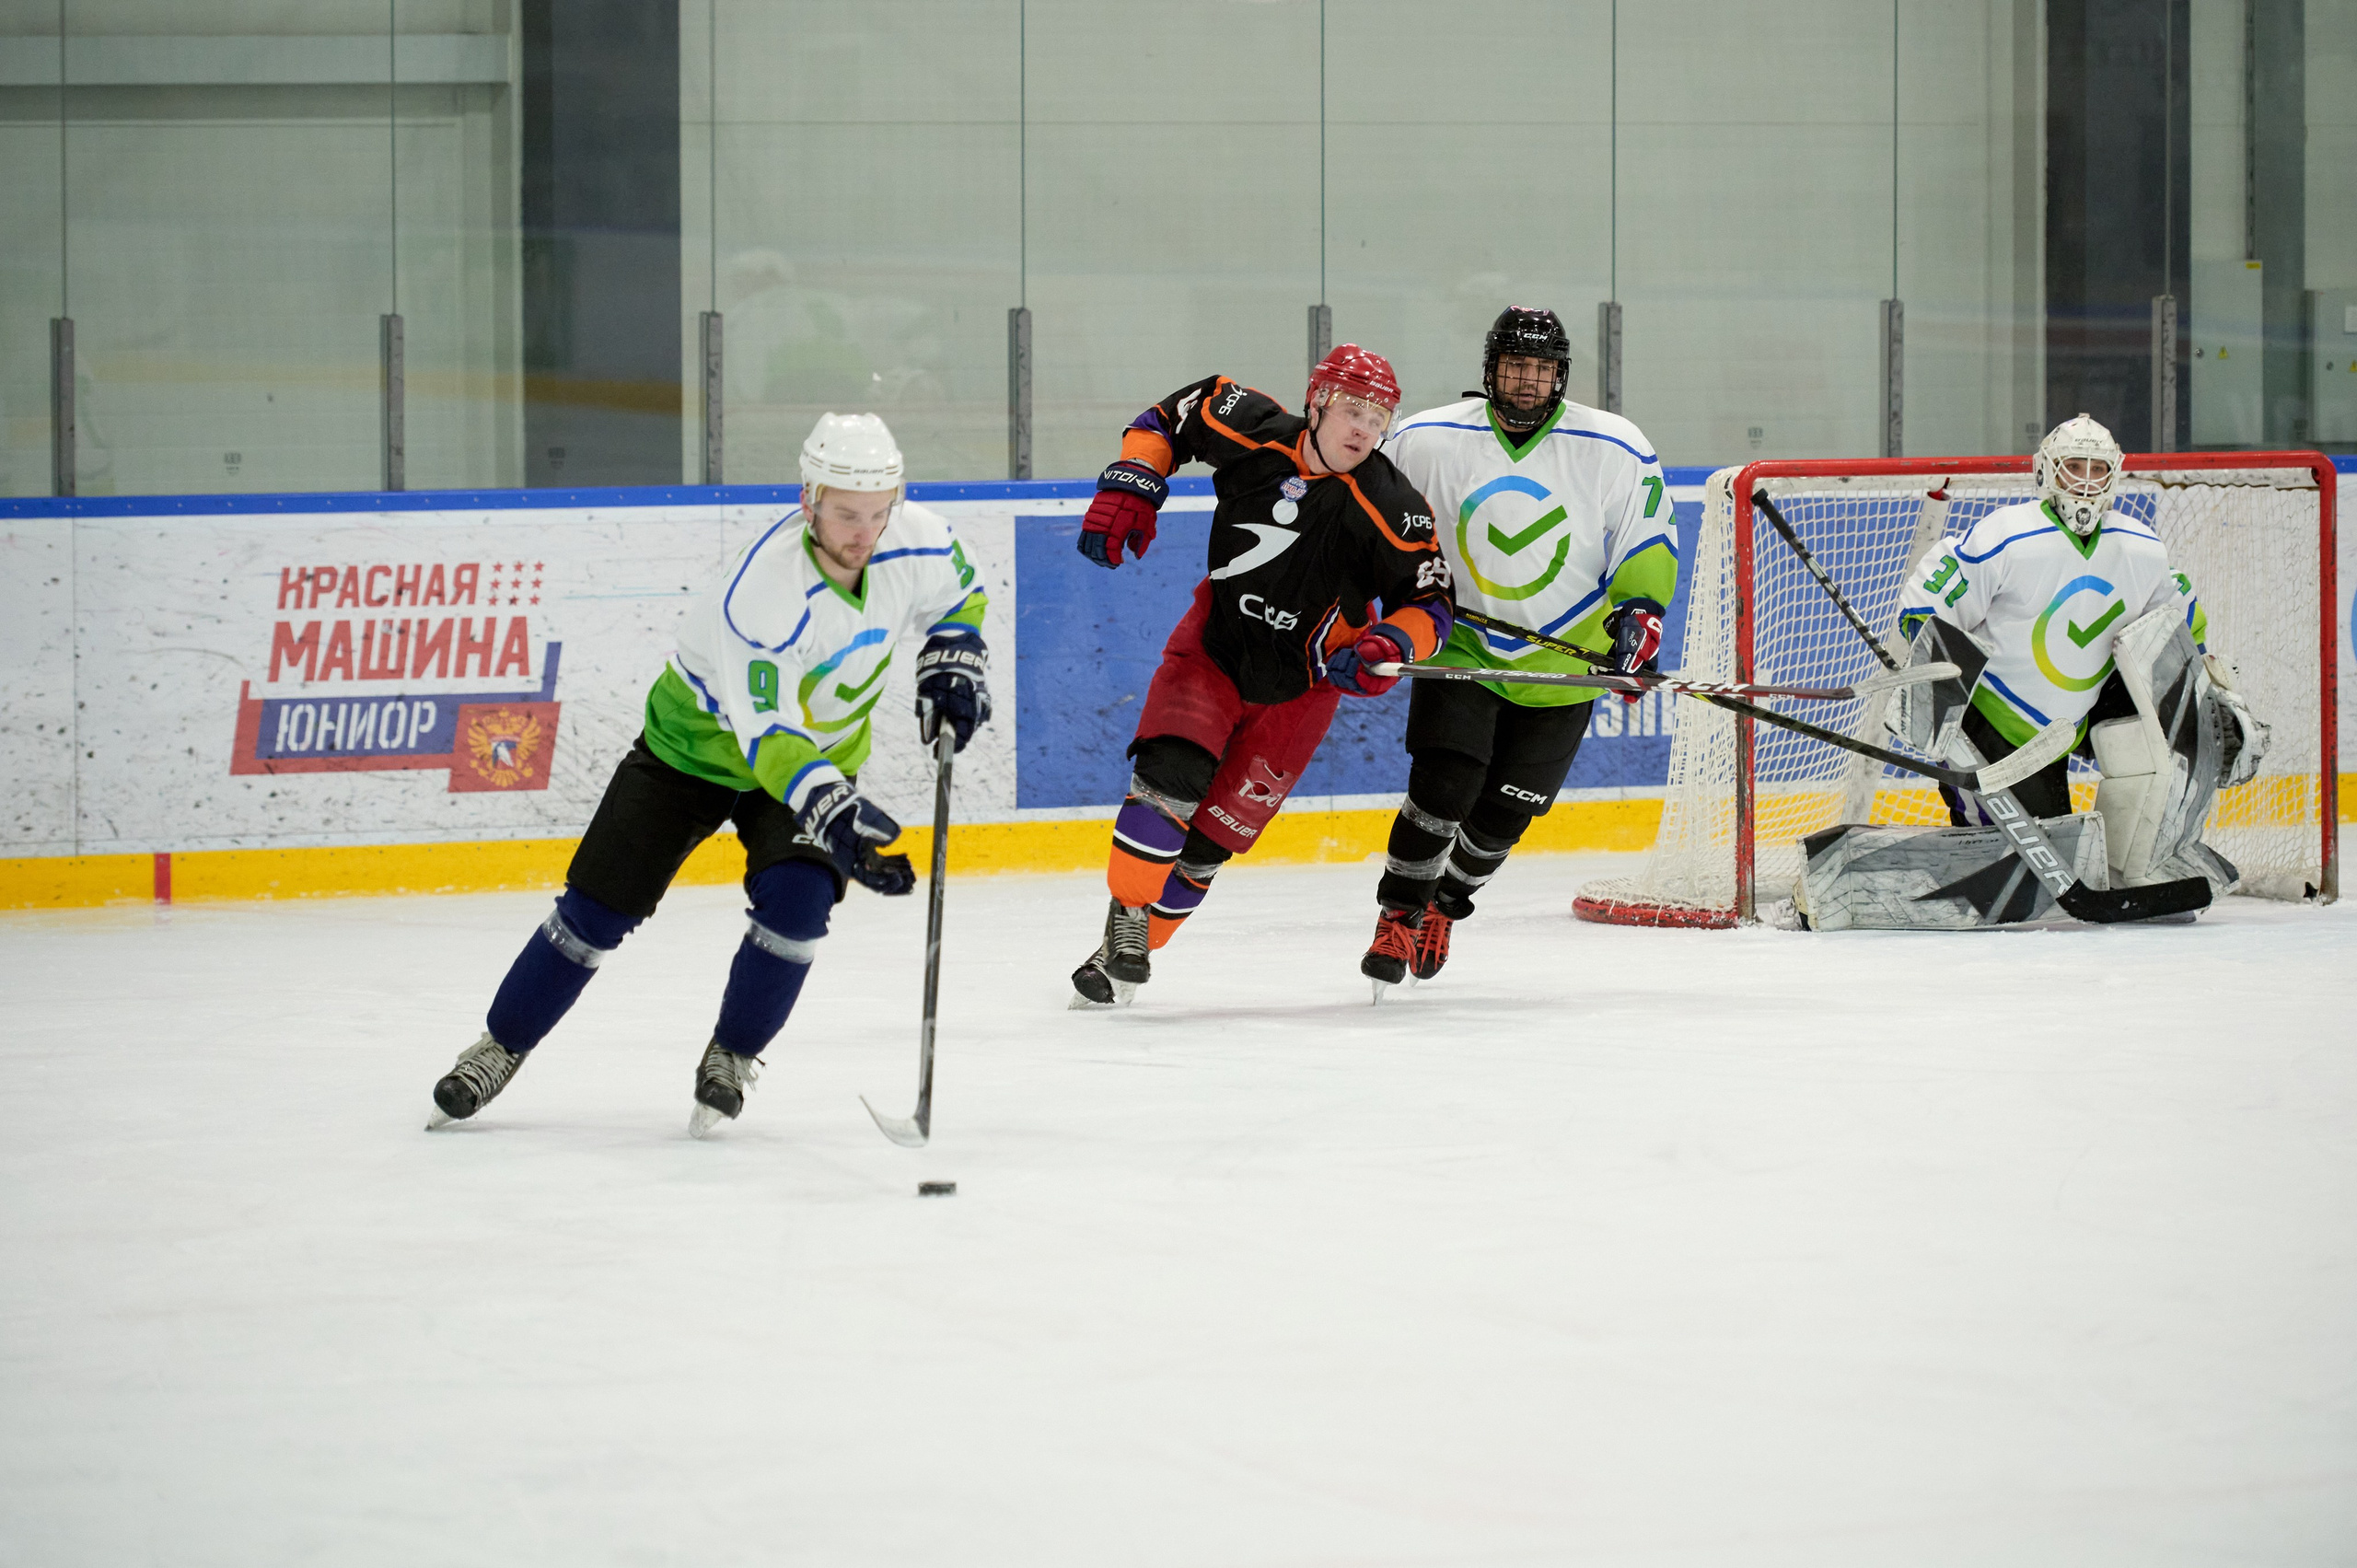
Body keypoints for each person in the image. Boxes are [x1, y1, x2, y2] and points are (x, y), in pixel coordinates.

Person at [424, 412, 991, 1136]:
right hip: (691, 756)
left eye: (879, 512)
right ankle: (501, 1043)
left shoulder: (918, 538)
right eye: (847, 513)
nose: (864, 531)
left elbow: (959, 594)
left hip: (809, 762)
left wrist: (953, 651)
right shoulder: (762, 594)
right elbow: (770, 737)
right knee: (597, 911)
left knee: (798, 903)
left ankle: (732, 1053)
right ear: (808, 499)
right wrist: (834, 811)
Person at [1067, 344, 1454, 1005]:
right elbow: (1168, 417)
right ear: (1318, 403)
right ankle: (1129, 913)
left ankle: (1115, 957)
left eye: (1380, 415)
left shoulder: (1392, 505)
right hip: (1214, 648)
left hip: (1300, 693)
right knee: (1170, 776)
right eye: (1353, 409)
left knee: (1209, 846)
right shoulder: (1253, 428)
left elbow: (1431, 603)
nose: (1364, 427)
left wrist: (1389, 642)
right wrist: (1133, 479)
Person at [1363, 307, 1677, 991]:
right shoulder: (1426, 438)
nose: (1529, 380)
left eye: (1543, 368)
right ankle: (1397, 914)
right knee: (1443, 788)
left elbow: (1645, 537)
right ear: (1490, 369)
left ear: (1560, 374)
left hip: (1566, 661)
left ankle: (1444, 906)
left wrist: (1641, 613)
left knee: (1506, 812)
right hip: (1463, 647)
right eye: (1516, 366)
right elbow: (1367, 519)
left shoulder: (1615, 445)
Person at [1890, 412, 2266, 892]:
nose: (2086, 483)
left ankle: (2142, 863)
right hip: (1994, 725)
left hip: (2073, 724)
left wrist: (2209, 692)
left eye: (2097, 470)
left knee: (2174, 718)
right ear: (2046, 471)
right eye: (2074, 467)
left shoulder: (2141, 547)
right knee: (2020, 875)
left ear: (2114, 475)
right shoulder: (2006, 535)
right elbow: (1928, 604)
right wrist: (1935, 685)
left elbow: (2181, 627)